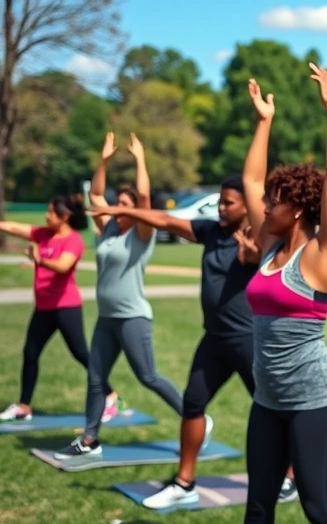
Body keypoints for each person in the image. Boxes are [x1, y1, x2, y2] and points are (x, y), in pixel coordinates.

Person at [88, 175, 300, 508]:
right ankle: (185, 483)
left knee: (276, 410)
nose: (221, 207)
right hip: (214, 340)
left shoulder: (264, 238)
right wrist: (120, 208)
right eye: (220, 200)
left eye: (228, 202)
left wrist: (254, 257)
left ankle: (291, 475)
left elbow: (281, 263)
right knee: (192, 405)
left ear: (248, 205)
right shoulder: (211, 231)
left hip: (248, 341)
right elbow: (166, 220)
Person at [241, 65, 327, 524]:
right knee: (257, 509)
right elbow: (251, 182)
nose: (266, 205)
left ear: (296, 210)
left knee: (317, 510)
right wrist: (264, 122)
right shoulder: (269, 247)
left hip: (315, 402)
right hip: (267, 402)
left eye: (276, 200)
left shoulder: (320, 256)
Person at [55, 133, 185, 460]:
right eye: (118, 203)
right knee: (96, 378)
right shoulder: (108, 229)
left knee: (148, 376)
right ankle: (89, 440)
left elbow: (143, 195)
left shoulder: (142, 235)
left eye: (123, 205)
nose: (116, 207)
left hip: (133, 318)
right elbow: (96, 193)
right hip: (107, 318)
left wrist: (140, 157)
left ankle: (194, 418)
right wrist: (104, 160)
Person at [0, 196, 119, 422]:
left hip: (66, 307)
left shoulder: (74, 241)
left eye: (51, 212)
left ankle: (111, 395)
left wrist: (40, 260)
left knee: (80, 353)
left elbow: (63, 266)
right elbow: (14, 227)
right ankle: (24, 406)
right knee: (30, 353)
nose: (47, 215)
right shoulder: (42, 234)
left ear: (64, 217)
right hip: (44, 308)